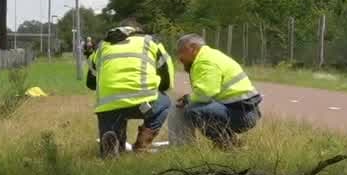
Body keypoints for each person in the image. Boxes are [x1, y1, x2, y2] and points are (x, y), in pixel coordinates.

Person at [85, 19, 172, 157]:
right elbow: (167, 81)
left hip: (108, 105)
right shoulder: (151, 42)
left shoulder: (102, 47)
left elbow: (90, 83)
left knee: (113, 127)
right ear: (138, 30)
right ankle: (141, 145)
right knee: (165, 102)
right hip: (142, 103)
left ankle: (113, 141)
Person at [173, 33, 262, 147]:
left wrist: (187, 99)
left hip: (242, 114)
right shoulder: (211, 55)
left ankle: (227, 144)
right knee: (192, 106)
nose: (179, 57)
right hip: (245, 111)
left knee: (192, 109)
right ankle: (232, 142)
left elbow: (205, 94)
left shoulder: (205, 61)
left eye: (181, 52)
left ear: (193, 48)